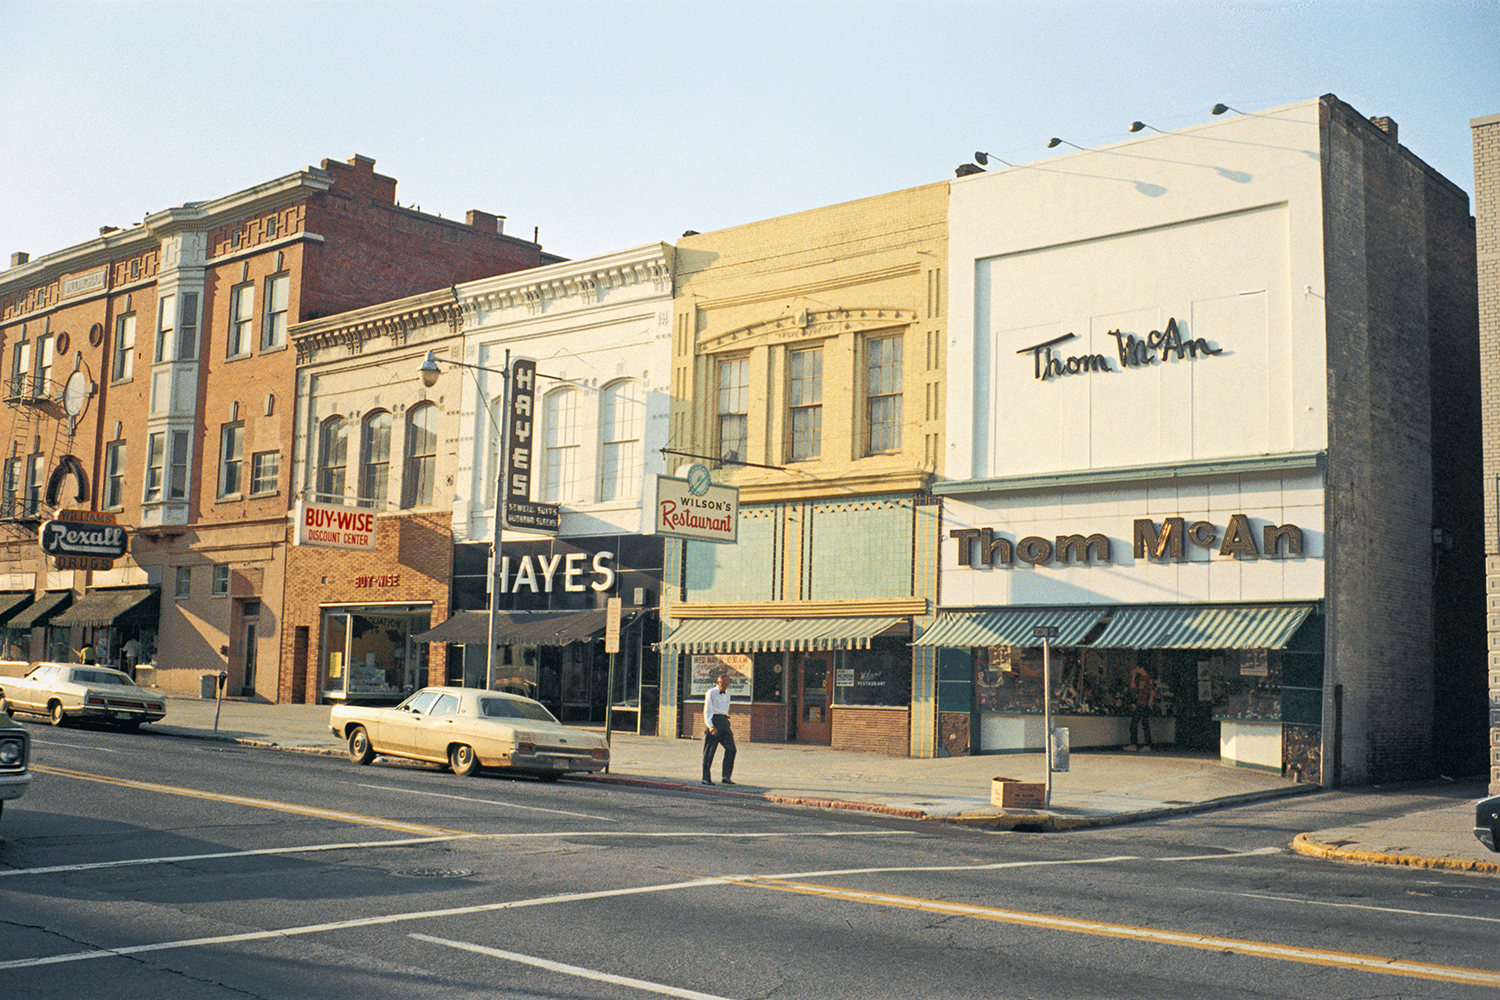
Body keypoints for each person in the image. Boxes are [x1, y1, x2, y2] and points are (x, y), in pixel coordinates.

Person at [702, 671, 736, 785]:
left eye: (727, 683)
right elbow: (707, 709)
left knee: (731, 749)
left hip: (724, 722)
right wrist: (710, 726)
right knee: (710, 750)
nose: (725, 685)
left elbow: (724, 708)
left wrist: (726, 718)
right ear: (718, 682)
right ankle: (706, 778)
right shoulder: (711, 692)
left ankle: (726, 776)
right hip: (714, 721)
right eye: (723, 683)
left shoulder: (727, 694)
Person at [1128, 664, 1154, 751]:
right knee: (1142, 723)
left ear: (1141, 668)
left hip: (1144, 703)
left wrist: (1149, 703)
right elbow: (1132, 686)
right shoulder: (1140, 678)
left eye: (1137, 668)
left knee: (1137, 723)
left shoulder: (1148, 678)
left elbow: (1152, 691)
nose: (1136, 669)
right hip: (1140, 702)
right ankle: (1145, 744)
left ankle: (1136, 744)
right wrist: (1133, 676)